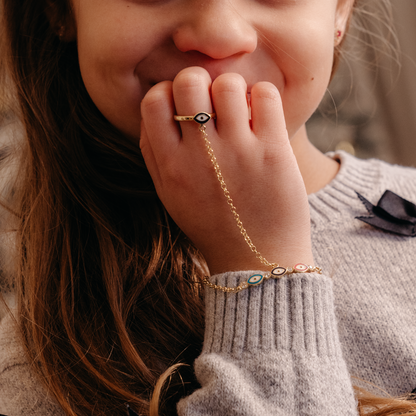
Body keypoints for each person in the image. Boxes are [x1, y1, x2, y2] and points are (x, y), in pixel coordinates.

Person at [0, 0, 415, 415]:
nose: (219, 35)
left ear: (339, 11)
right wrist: (260, 262)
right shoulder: (39, 361)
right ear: (59, 11)